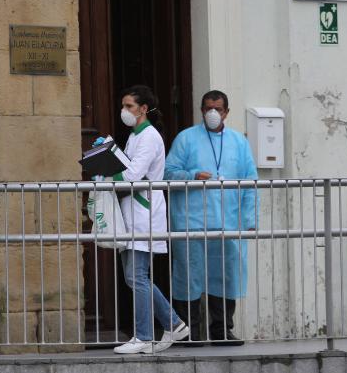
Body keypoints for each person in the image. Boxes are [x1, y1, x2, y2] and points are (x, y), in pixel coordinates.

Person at [95, 85, 188, 354]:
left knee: (136, 276)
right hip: (134, 211)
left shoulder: (148, 137)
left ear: (143, 109)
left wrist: (105, 173)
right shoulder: (135, 136)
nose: (124, 111)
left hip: (144, 211)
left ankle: (144, 336)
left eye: (129, 106)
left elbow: (133, 174)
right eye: (123, 106)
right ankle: (174, 324)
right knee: (136, 277)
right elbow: (127, 167)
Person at [164, 90, 258, 346]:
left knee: (226, 276)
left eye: (217, 108)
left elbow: (251, 182)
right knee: (188, 275)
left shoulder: (239, 142)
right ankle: (190, 333)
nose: (212, 113)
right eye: (207, 108)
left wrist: (249, 220)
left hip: (228, 222)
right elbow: (167, 172)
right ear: (201, 110)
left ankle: (222, 331)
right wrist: (193, 175)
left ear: (227, 112)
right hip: (191, 221)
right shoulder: (186, 139)